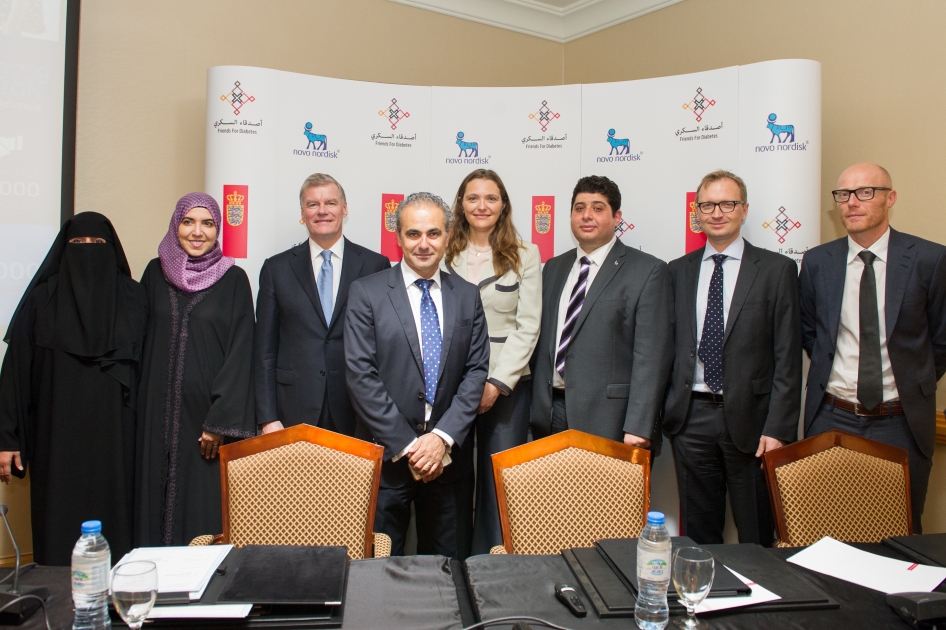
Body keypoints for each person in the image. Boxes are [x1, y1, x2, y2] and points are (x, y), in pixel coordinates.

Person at [800, 163, 946, 533]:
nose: (852, 202)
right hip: (832, 417)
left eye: (865, 192)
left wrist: (912, 385)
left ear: (890, 198)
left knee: (899, 535)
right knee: (827, 530)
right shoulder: (817, 262)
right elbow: (811, 333)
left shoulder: (929, 260)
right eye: (843, 195)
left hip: (900, 422)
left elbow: (941, 341)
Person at [345, 192, 489, 557]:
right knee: (378, 566)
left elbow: (475, 372)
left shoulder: (467, 295)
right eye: (413, 234)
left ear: (447, 235)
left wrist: (440, 439)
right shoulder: (366, 293)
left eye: (433, 233)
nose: (423, 244)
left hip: (448, 462)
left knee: (447, 568)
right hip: (387, 456)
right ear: (398, 236)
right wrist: (411, 447)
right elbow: (361, 375)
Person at [0, 212, 148, 565]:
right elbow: (16, 372)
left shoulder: (134, 298)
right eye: (78, 243)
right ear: (63, 251)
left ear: (112, 250)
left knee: (117, 532)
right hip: (55, 440)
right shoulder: (42, 301)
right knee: (57, 529)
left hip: (118, 442)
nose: (87, 251)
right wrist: (7, 438)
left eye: (97, 243)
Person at [663, 170, 801, 546]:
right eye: (708, 205)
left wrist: (779, 428)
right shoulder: (677, 271)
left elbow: (788, 358)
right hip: (690, 419)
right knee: (699, 535)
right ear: (697, 212)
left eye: (728, 203)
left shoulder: (776, 270)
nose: (717, 212)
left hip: (753, 422)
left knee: (756, 533)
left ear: (744, 210)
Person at [135, 192, 256, 547]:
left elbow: (242, 353)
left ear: (218, 230)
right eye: (188, 222)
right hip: (155, 417)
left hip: (204, 425)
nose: (197, 232)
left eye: (208, 223)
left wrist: (219, 421)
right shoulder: (154, 273)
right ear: (176, 225)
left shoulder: (234, 279)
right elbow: (137, 339)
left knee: (202, 510)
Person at [531, 176, 673, 447]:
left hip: (611, 421)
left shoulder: (648, 271)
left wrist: (639, 425)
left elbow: (652, 357)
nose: (586, 215)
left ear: (617, 217)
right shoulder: (553, 267)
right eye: (579, 208)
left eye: (598, 208)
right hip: (549, 416)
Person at [443, 169, 541, 556]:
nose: (481, 205)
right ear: (460, 204)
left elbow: (528, 325)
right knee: (450, 478)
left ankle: (492, 566)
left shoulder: (525, 254)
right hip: (451, 382)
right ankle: (451, 564)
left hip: (507, 386)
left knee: (498, 482)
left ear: (503, 205)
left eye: (491, 198)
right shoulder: (442, 249)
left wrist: (497, 382)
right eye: (473, 197)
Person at [254, 174, 389, 436]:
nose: (322, 211)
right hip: (292, 410)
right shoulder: (276, 269)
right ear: (302, 213)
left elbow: (386, 347)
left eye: (330, 203)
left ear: (344, 209)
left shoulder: (375, 266)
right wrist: (267, 417)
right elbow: (264, 351)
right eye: (313, 204)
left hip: (358, 411)